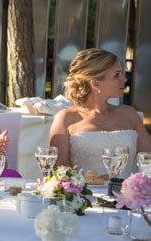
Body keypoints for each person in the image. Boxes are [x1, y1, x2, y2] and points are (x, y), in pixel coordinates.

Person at [49, 48, 151, 177]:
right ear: (96, 84)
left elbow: (148, 160)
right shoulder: (67, 118)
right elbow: (55, 173)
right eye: (117, 75)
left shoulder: (129, 114)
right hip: (85, 195)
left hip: (127, 194)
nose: (124, 79)